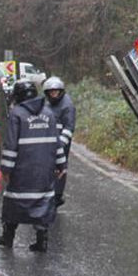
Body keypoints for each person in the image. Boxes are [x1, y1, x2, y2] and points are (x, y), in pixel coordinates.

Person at [0, 79, 66, 252]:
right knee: (43, 202)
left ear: (17, 96)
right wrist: (61, 165)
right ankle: (42, 241)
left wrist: (5, 170)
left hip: (22, 170)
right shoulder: (48, 113)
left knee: (13, 201)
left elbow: (11, 146)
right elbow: (57, 142)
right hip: (44, 170)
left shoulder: (17, 114)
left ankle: (8, 237)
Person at [42, 76, 75, 207]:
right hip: (47, 142)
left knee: (59, 169)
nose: (54, 94)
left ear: (61, 91)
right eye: (51, 92)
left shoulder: (67, 106)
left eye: (56, 92)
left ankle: (57, 195)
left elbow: (69, 127)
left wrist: (59, 145)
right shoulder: (47, 104)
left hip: (61, 144)